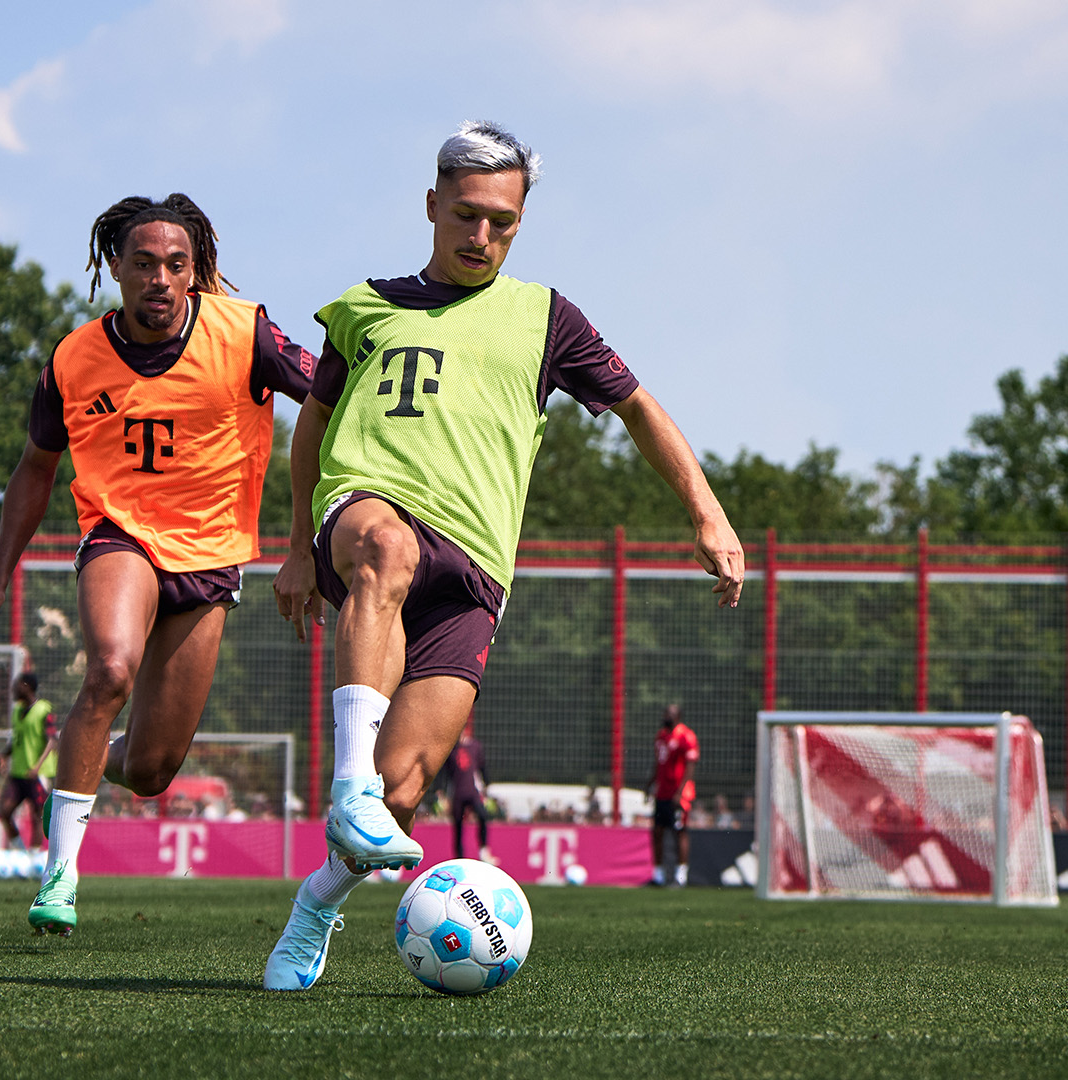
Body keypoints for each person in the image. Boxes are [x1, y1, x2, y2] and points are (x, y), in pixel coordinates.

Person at [264, 122, 744, 990]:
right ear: (432, 206)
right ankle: (348, 792)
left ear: (520, 222)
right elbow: (315, 428)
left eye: (502, 222)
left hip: (476, 567)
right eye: (466, 215)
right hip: (368, 512)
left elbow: (640, 408)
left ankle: (315, 904)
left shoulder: (547, 318)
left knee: (404, 787)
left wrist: (710, 516)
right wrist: (299, 543)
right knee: (382, 547)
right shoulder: (363, 307)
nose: (481, 236)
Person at [0, 193, 314, 935]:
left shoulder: (245, 333)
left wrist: (313, 537)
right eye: (144, 263)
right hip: (120, 534)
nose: (160, 277)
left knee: (152, 771)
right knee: (110, 669)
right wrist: (0, 576)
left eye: (176, 265)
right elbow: (35, 467)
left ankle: (82, 752)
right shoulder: (74, 357)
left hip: (213, 554)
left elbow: (333, 398)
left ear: (195, 273)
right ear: (113, 266)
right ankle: (59, 877)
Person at [0, 671, 55, 855]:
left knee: (37, 815)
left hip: (38, 773)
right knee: (4, 812)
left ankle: (34, 854)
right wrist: (5, 755)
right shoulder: (17, 711)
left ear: (27, 686)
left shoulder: (43, 709)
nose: (13, 688)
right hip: (18, 772)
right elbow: (18, 739)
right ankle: (21, 851)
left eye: (17, 684)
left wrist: (37, 766)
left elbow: (52, 740)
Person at [648, 705, 698, 887]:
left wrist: (680, 791)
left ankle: (680, 876)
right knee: (658, 832)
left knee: (680, 832)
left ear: (677, 716)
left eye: (668, 713)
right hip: (662, 793)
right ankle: (658, 876)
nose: (665, 716)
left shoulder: (686, 735)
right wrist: (650, 784)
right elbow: (659, 763)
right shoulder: (661, 736)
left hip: (679, 795)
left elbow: (690, 765)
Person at [437, 717, 492, 862]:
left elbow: (482, 768)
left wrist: (487, 787)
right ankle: (459, 858)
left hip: (472, 791)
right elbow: (445, 773)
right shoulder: (451, 750)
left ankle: (483, 850)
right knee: (458, 827)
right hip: (457, 793)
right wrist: (442, 793)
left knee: (483, 815)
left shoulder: (475, 747)